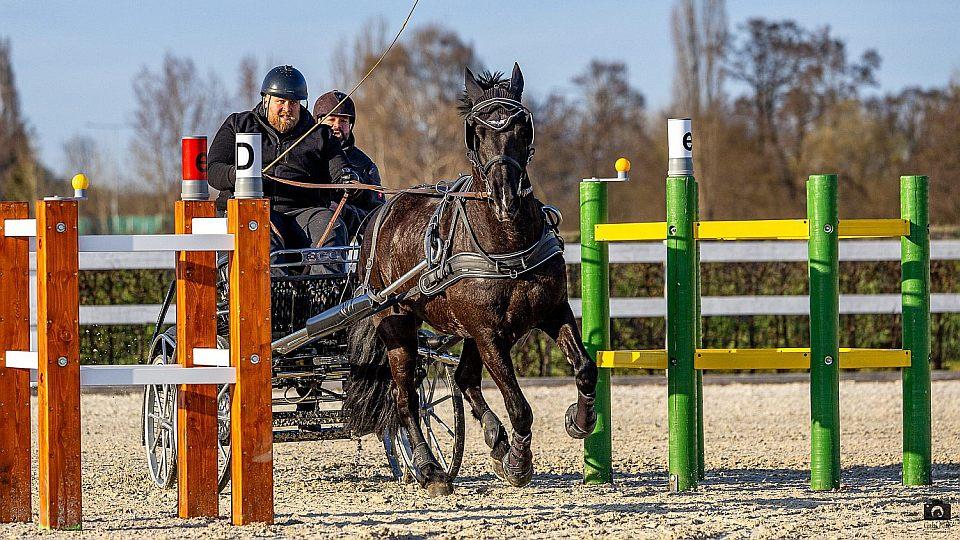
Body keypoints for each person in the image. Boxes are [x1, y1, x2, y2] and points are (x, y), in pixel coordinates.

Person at [207, 66, 357, 263]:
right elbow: (213, 169)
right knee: (259, 230)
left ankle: (325, 282)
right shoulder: (239, 124)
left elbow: (339, 169)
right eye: (281, 101)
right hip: (254, 208)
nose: (287, 109)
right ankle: (273, 282)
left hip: (304, 212)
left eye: (293, 103)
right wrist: (240, 174)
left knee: (330, 225)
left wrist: (348, 178)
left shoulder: (319, 134)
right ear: (266, 100)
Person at [312, 90, 385, 238]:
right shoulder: (304, 155)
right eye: (331, 119)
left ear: (350, 125)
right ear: (317, 121)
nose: (337, 126)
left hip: (348, 243)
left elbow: (379, 218)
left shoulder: (365, 166)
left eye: (343, 121)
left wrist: (344, 212)